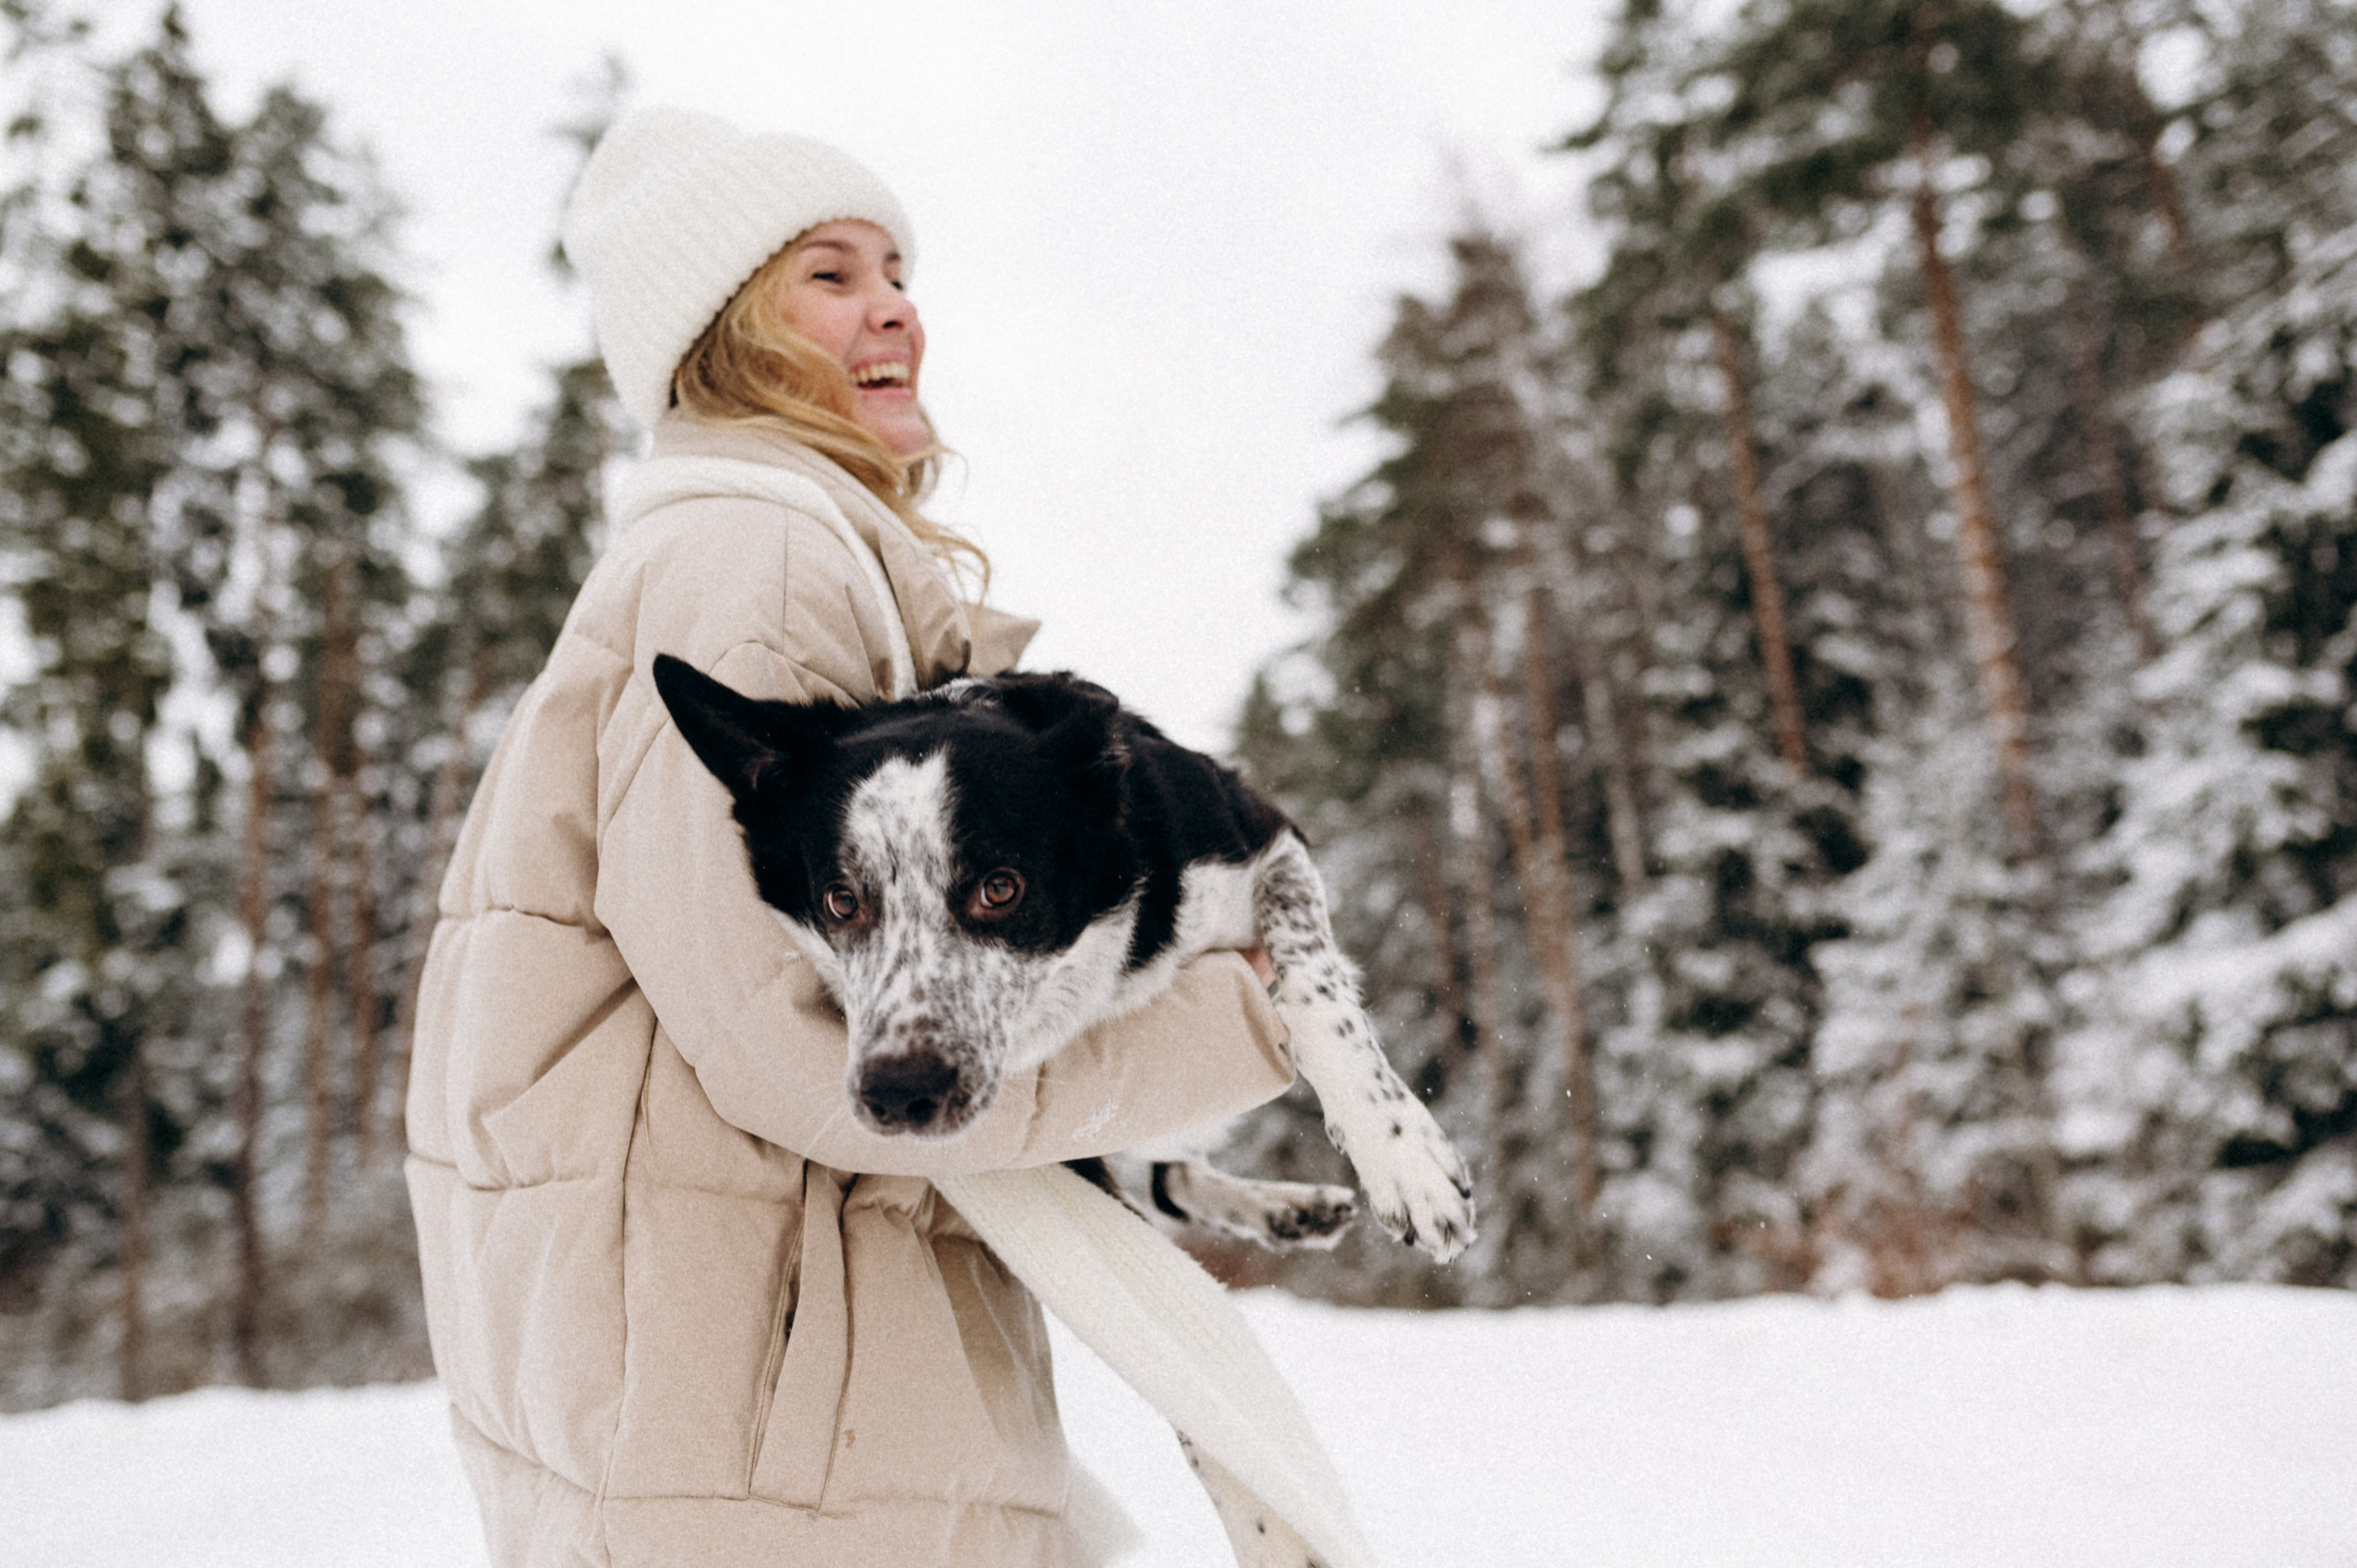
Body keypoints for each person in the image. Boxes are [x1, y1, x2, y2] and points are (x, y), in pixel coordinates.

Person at [404, 106, 1297, 1568]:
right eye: (829, 275)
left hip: (756, 1382)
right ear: (723, 339)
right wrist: (1240, 1017)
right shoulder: (753, 567)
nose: (894, 307)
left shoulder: (774, 554)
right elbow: (805, 1053)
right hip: (767, 1399)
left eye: (897, 271)